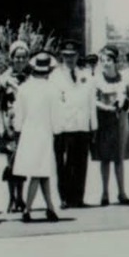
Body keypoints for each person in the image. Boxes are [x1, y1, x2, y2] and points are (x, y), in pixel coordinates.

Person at [12, 51, 61, 222]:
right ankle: (27, 209)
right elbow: (56, 117)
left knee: (42, 171)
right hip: (44, 133)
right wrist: (57, 130)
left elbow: (19, 116)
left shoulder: (24, 88)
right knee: (39, 172)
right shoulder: (52, 90)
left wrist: (18, 130)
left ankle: (50, 208)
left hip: (28, 133)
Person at [51, 40, 96, 209]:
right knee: (63, 164)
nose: (69, 59)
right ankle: (64, 197)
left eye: (72, 56)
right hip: (64, 126)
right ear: (62, 57)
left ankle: (78, 198)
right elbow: (53, 103)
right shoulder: (55, 77)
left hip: (82, 125)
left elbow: (91, 102)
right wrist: (54, 127)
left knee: (80, 163)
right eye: (66, 56)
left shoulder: (86, 76)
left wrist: (94, 126)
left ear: (78, 56)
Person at [92, 46, 129, 206]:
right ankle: (104, 193)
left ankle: (122, 192)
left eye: (109, 60)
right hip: (104, 122)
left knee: (119, 158)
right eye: (103, 61)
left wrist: (124, 103)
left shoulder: (124, 79)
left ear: (115, 61)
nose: (106, 64)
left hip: (120, 122)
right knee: (105, 159)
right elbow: (94, 100)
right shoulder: (97, 79)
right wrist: (107, 108)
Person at [0, 41, 32, 213]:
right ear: (11, 58)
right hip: (9, 123)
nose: (20, 60)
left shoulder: (31, 78)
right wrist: (0, 125)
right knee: (11, 162)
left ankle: (21, 197)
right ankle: (11, 198)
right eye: (17, 57)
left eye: (24, 57)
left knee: (23, 162)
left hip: (26, 123)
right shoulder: (4, 79)